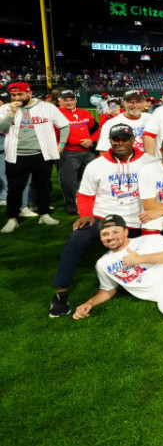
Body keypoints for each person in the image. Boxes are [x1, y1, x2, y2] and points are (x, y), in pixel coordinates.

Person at [49, 123, 152, 317]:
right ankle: (61, 292)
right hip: (102, 217)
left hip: (137, 218)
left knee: (157, 244)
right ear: (110, 141)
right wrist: (86, 215)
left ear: (133, 140)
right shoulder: (96, 165)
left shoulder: (149, 162)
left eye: (124, 139)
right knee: (77, 238)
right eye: (116, 139)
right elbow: (85, 195)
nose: (120, 142)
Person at [0, 81, 70, 233]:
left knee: (42, 187)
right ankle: (12, 219)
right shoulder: (5, 108)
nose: (16, 98)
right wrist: (11, 113)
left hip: (42, 154)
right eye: (13, 95)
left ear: (29, 93)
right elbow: (1, 129)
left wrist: (62, 144)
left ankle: (44, 214)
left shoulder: (47, 107)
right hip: (15, 156)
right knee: (14, 190)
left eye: (19, 94)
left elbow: (64, 125)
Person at [55, 89, 99, 216]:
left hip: (87, 151)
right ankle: (72, 206)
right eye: (65, 100)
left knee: (95, 177)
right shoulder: (55, 114)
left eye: (71, 99)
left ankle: (96, 203)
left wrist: (91, 140)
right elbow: (52, 134)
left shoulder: (84, 113)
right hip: (69, 152)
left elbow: (96, 129)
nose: (69, 102)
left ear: (75, 100)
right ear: (59, 101)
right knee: (69, 181)